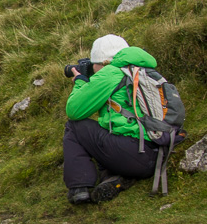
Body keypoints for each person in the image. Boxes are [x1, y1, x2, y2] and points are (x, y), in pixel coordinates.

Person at [64, 35, 163, 204]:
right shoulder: (142, 69)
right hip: (157, 152)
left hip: (132, 152)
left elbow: (74, 110)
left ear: (102, 62)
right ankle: (115, 178)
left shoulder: (110, 72)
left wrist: (80, 82)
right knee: (107, 131)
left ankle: (79, 187)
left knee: (74, 126)